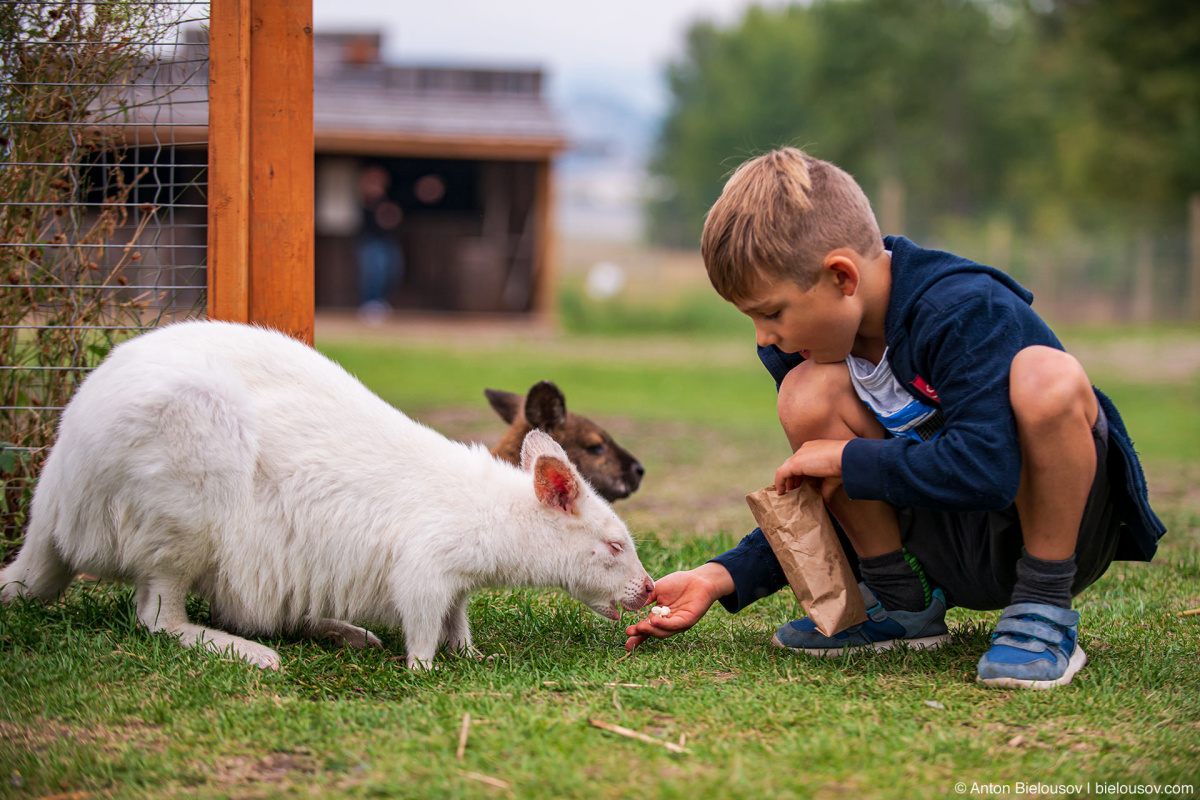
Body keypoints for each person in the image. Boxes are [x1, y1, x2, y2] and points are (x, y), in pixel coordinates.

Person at [624, 147, 1165, 689]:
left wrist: (845, 456)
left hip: (1046, 534)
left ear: (842, 277)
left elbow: (988, 470)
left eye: (771, 313)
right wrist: (721, 576)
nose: (764, 337)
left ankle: (1043, 610)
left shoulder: (964, 311)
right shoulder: (817, 350)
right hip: (943, 546)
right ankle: (900, 606)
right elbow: (836, 485)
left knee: (1046, 376)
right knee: (805, 395)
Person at [356, 164, 404, 323]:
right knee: (373, 271)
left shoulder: (388, 197)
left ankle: (379, 303)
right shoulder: (363, 199)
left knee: (391, 270)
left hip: (387, 240)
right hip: (370, 241)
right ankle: (369, 304)